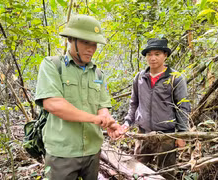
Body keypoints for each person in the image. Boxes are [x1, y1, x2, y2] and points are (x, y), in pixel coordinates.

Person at [35, 14, 122, 180]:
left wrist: (109, 122)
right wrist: (94, 119)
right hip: (62, 152)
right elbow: (54, 104)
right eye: (85, 42)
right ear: (70, 39)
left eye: (94, 44)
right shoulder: (53, 65)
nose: (91, 48)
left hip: (92, 151)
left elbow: (102, 107)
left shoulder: (98, 73)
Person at [122, 37, 191, 179]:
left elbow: (182, 107)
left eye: (157, 54)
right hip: (143, 134)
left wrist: (182, 134)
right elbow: (134, 103)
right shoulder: (140, 78)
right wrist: (128, 122)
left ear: (165, 55)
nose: (152, 58)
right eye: (149, 54)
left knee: (166, 173)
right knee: (138, 171)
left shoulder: (175, 78)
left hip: (166, 135)